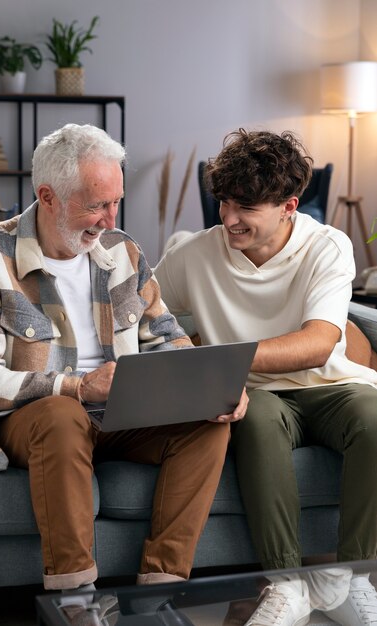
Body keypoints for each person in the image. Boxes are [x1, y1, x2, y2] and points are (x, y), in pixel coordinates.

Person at [0, 123, 239, 626]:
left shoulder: (122, 252)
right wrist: (73, 385)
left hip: (120, 410)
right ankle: (77, 602)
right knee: (63, 415)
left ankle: (159, 594)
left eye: (116, 202)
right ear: (47, 196)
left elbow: (166, 333)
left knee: (209, 420)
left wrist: (210, 385)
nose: (110, 219)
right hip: (36, 417)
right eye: (96, 205)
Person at [155, 128, 377, 626]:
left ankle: (348, 577)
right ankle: (288, 584)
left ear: (289, 205)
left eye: (246, 208)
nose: (228, 219)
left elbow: (320, 342)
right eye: (224, 202)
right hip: (255, 396)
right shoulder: (196, 253)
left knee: (375, 417)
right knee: (256, 423)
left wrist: (222, 356)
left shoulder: (328, 246)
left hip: (331, 386)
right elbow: (139, 312)